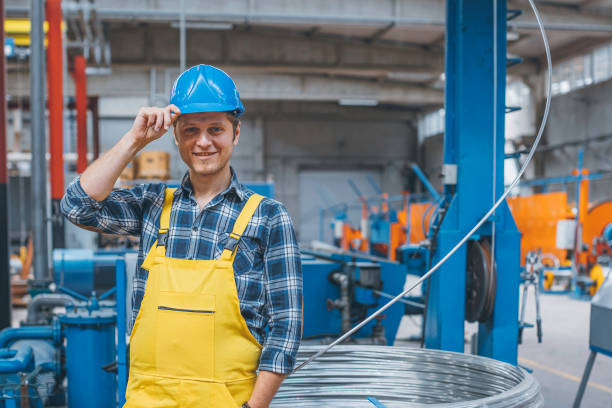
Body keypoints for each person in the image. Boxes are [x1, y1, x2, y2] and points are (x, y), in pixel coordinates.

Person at [61, 65, 303, 408]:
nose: (203, 142)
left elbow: (286, 329)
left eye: (215, 129)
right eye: (191, 130)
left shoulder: (268, 218)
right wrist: (135, 140)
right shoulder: (152, 204)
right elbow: (77, 206)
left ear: (236, 133)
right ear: (176, 136)